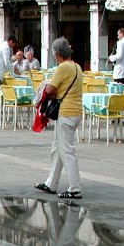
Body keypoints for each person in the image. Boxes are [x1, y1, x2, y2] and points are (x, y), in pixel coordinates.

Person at [35, 37, 83, 199]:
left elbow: (49, 89)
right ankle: (51, 183)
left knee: (67, 151)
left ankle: (75, 187)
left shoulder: (63, 68)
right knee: (58, 148)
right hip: (75, 111)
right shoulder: (77, 67)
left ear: (57, 54)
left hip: (66, 113)